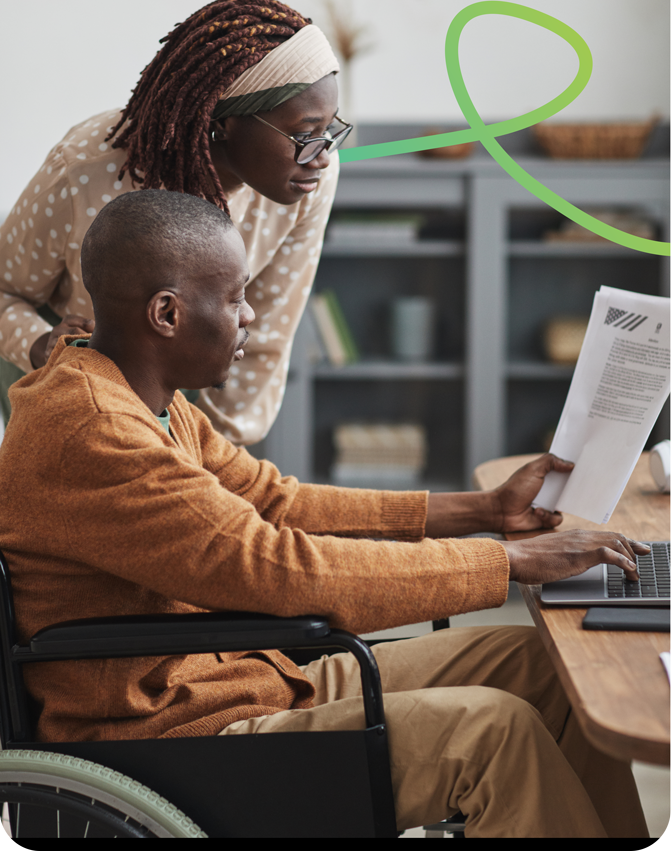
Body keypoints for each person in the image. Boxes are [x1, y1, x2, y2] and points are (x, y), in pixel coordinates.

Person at [0, 190, 649, 838]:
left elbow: (279, 501)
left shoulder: (144, 397)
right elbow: (278, 569)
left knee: (547, 670)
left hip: (251, 679)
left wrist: (483, 509)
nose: (250, 316)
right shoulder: (96, 430)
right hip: (181, 737)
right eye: (233, 297)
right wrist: (505, 562)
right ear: (167, 313)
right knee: (494, 732)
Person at [0, 0, 346, 444]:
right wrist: (41, 345)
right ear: (224, 123)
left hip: (191, 393)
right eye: (305, 135)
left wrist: (218, 459)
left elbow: (266, 337)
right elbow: (4, 292)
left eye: (331, 130)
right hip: (64, 380)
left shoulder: (308, 179)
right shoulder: (86, 170)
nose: (323, 155)